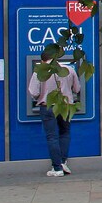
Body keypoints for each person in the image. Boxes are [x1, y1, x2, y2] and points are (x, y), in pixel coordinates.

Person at [27, 43, 81, 177]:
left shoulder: (39, 71)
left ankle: (56, 168)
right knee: (65, 132)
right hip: (66, 106)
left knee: (52, 136)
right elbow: (77, 89)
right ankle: (63, 162)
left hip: (47, 106)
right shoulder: (69, 69)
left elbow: (33, 92)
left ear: (42, 60)